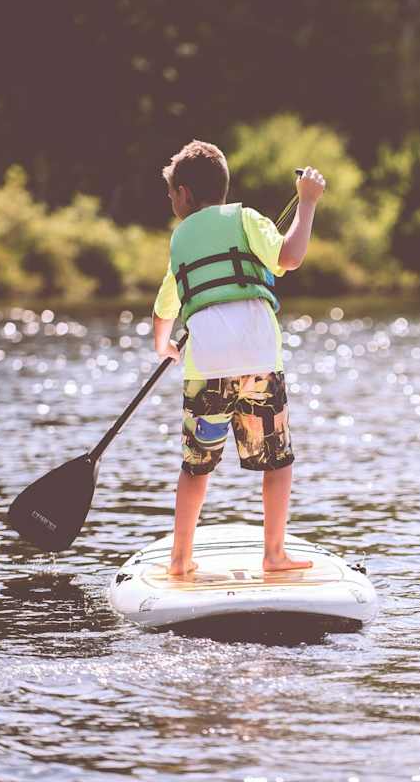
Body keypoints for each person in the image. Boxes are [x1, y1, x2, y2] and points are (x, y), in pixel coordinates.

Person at [151, 139, 326, 577]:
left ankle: (179, 559)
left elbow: (164, 308)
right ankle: (274, 555)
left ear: (185, 195)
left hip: (206, 368)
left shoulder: (179, 240)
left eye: (172, 193)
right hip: (259, 363)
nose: (171, 200)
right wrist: (307, 204)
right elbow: (291, 255)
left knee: (196, 467)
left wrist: (163, 345)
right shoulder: (247, 219)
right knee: (277, 461)